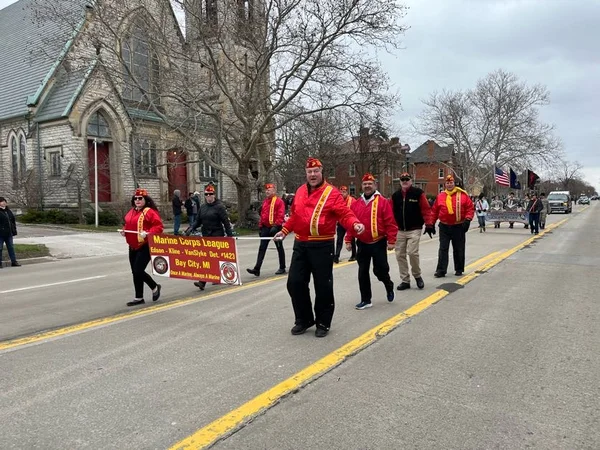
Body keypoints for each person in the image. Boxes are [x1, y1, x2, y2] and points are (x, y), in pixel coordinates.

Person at [274, 157, 365, 338]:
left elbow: (345, 214)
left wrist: (354, 224)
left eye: (316, 171)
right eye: (309, 172)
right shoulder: (300, 191)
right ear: (306, 173)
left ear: (321, 172)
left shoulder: (332, 193)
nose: (313, 175)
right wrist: (284, 231)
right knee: (295, 283)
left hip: (322, 245)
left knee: (322, 285)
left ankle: (323, 321)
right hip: (301, 244)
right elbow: (295, 216)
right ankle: (304, 319)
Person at [345, 174, 397, 309]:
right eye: (365, 184)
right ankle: (366, 299)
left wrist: (392, 240)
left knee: (380, 271)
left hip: (378, 243)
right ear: (362, 186)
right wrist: (348, 239)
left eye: (370, 183)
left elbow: (390, 222)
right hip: (362, 244)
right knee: (362, 272)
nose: (367, 186)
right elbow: (351, 223)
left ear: (375, 185)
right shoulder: (357, 204)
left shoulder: (383, 202)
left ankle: (388, 285)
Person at [390, 172, 434, 291]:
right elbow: (391, 214)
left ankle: (417, 276)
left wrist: (429, 224)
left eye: (407, 179)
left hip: (415, 228)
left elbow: (426, 209)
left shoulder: (418, 193)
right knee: (399, 254)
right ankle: (405, 280)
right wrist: (390, 230)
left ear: (411, 180)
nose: (405, 181)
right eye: (402, 179)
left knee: (412, 253)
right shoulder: (395, 196)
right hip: (400, 229)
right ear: (400, 181)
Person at [121, 189, 164, 306]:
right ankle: (139, 297)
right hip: (132, 246)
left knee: (138, 270)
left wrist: (148, 232)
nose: (137, 200)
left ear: (145, 200)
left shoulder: (149, 212)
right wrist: (124, 231)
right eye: (135, 198)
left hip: (145, 245)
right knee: (135, 272)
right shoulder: (132, 211)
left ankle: (154, 286)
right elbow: (128, 224)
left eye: (140, 198)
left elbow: (159, 226)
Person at [188, 184, 233, 290]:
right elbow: (198, 221)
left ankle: (205, 281)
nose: (208, 196)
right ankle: (204, 281)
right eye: (207, 194)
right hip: (206, 235)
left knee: (213, 258)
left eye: (210, 194)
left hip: (217, 235)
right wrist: (190, 229)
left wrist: (229, 235)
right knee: (206, 259)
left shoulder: (219, 207)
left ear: (214, 195)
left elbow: (225, 222)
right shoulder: (203, 207)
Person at [430, 175, 475, 277]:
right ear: (445, 184)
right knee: (443, 248)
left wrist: (467, 220)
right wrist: (431, 224)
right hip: (444, 227)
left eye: (451, 183)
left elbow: (470, 208)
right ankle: (441, 270)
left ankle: (459, 269)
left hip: (458, 226)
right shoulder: (440, 196)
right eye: (447, 183)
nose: (449, 185)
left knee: (459, 248)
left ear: (454, 184)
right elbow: (434, 211)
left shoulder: (462, 195)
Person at [247, 183, 287, 277]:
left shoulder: (279, 201)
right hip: (265, 227)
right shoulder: (265, 201)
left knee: (279, 247)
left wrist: (276, 226)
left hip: (275, 228)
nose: (267, 191)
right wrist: (260, 227)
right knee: (262, 248)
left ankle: (282, 267)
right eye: (266, 190)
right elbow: (263, 215)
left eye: (269, 190)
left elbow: (280, 215)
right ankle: (257, 268)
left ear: (274, 191)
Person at [333, 186, 356, 263]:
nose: (342, 194)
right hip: (341, 223)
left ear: (347, 193)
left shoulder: (352, 201)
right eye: (341, 192)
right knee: (339, 239)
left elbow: (355, 211)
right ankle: (336, 256)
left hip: (349, 222)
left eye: (344, 192)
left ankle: (354, 255)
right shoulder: (338, 201)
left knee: (351, 239)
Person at [0, 196, 20, 268]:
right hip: (1, 234)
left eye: (4, 201)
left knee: (11, 247)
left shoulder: (8, 211)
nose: (4, 203)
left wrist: (13, 229)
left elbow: (12, 221)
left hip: (9, 233)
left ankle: (14, 261)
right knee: (0, 248)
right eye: (2, 201)